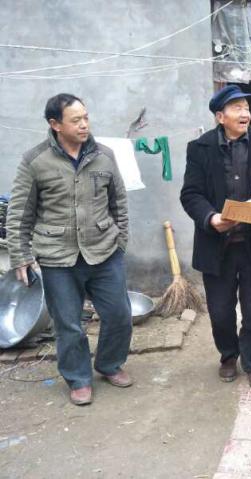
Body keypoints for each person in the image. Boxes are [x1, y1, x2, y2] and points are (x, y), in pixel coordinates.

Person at [6, 93, 132, 406]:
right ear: (55, 124)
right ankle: (78, 378)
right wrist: (20, 255)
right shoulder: (35, 161)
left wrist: (120, 241)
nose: (84, 124)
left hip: (104, 252)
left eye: (85, 117)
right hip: (57, 258)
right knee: (69, 324)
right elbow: (19, 212)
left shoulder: (104, 156)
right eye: (76, 120)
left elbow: (119, 202)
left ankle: (109, 364)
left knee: (119, 315)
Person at [180, 85, 251, 389]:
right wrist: (211, 218)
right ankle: (228, 355)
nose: (245, 113)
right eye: (237, 108)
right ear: (220, 116)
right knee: (220, 311)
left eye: (247, 108)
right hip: (217, 244)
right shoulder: (199, 148)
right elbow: (191, 194)